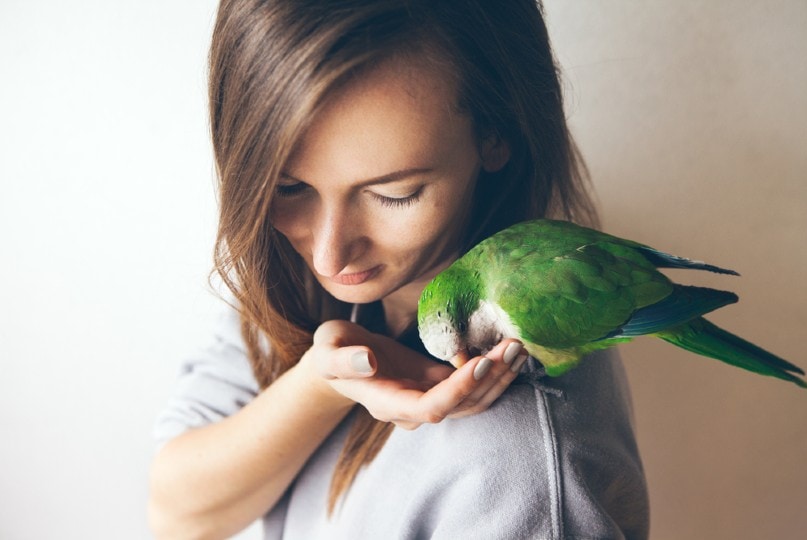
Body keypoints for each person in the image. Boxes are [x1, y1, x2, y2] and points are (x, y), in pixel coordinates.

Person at [149, 0, 650, 538]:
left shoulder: (526, 482)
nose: (328, 256)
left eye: (395, 194)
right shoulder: (296, 279)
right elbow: (179, 515)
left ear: (496, 133)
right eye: (288, 188)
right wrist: (326, 379)